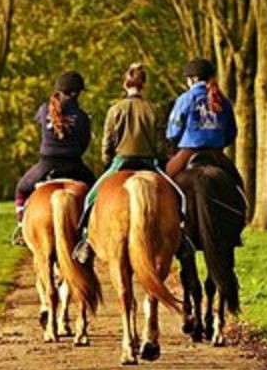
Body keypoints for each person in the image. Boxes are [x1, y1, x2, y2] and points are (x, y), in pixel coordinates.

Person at [72, 62, 183, 263]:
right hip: (150, 163)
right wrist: (161, 158)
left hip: (121, 162)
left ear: (125, 84)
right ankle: (183, 239)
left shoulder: (115, 109)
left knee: (90, 199)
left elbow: (108, 140)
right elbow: (161, 141)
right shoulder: (154, 109)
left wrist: (108, 162)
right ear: (144, 85)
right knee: (180, 198)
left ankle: (86, 240)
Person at [11, 71, 96, 245]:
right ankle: (90, 232)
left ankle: (21, 226)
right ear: (75, 93)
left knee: (21, 189)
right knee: (97, 192)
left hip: (46, 165)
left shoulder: (44, 110)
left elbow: (40, 126)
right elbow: (84, 144)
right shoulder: (82, 116)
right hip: (75, 166)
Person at [166, 58, 242, 187]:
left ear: (193, 79)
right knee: (238, 183)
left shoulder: (186, 98)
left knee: (166, 180)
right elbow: (231, 133)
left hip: (190, 151)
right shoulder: (223, 100)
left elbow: (173, 132)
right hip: (216, 152)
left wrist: (176, 141)